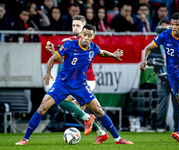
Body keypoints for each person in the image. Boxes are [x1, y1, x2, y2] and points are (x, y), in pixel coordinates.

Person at [15, 24, 133, 145]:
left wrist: (113, 55)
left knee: (99, 112)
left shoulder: (93, 48)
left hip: (80, 85)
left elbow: (102, 53)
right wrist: (48, 73)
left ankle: (118, 139)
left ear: (93, 36)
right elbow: (53, 59)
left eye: (89, 35)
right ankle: (25, 139)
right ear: (81, 34)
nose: (86, 38)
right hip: (63, 84)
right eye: (85, 34)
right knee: (42, 108)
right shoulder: (69, 45)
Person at [140, 12, 179, 142]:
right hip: (172, 74)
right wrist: (144, 60)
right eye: (172, 24)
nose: (173, 27)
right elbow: (148, 48)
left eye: (177, 25)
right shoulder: (165, 35)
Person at [49, 15, 109, 144]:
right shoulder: (69, 42)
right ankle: (101, 132)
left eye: (78, 26)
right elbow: (62, 60)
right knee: (77, 112)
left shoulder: (87, 41)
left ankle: (102, 130)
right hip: (73, 82)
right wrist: (52, 52)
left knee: (69, 106)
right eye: (73, 26)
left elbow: (100, 52)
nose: (75, 28)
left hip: (86, 81)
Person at [148, 20, 179, 132]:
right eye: (162, 28)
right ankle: (160, 126)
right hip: (162, 75)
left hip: (175, 76)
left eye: (166, 28)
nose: (164, 30)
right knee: (162, 101)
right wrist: (162, 57)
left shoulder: (176, 41)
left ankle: (177, 127)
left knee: (178, 102)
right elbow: (149, 55)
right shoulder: (156, 41)